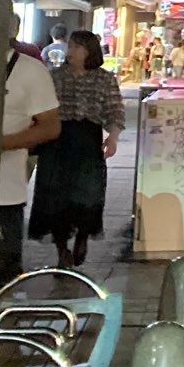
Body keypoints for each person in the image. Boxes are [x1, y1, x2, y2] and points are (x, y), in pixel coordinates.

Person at [32, 30, 125, 269]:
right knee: (55, 197)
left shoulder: (104, 79)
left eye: (76, 47)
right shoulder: (55, 76)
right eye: (70, 46)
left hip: (87, 142)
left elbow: (114, 110)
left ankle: (82, 237)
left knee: (87, 195)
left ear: (89, 51)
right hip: (57, 141)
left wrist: (112, 137)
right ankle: (61, 249)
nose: (70, 51)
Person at [0, 12, 61, 288]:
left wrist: (2, 144)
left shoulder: (30, 70)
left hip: (5, 193)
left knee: (2, 274)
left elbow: (50, 126)